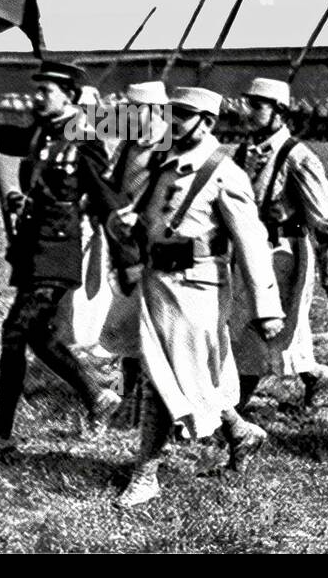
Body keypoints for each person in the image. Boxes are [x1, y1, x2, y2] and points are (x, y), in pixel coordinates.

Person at [108, 87, 283, 507]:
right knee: (187, 376)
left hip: (197, 286)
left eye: (182, 116)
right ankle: (240, 433)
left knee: (162, 378)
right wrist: (127, 223)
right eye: (171, 114)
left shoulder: (224, 172)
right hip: (156, 282)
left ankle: (146, 474)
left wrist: (266, 308)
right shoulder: (162, 161)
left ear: (206, 122)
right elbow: (151, 214)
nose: (172, 123)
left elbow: (252, 244)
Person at [0, 59, 125, 460]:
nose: (37, 97)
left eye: (45, 91)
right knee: (39, 336)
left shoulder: (84, 139)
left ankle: (0, 434)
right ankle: (96, 395)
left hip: (59, 251)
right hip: (31, 249)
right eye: (37, 90)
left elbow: (107, 201)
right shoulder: (41, 132)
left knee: (15, 332)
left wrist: (130, 257)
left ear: (69, 97)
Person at [229, 78, 328, 411]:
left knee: (258, 325)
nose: (248, 112)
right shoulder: (244, 152)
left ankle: (234, 412)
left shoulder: (298, 157)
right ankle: (314, 376)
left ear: (279, 111)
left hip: (281, 253)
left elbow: (326, 220)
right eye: (247, 104)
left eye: (257, 106)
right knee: (256, 326)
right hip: (247, 250)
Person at [97, 81, 171, 427]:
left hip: (156, 249)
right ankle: (128, 399)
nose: (126, 114)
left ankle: (160, 406)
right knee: (126, 331)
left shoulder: (170, 148)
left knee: (156, 332)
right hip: (126, 247)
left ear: (155, 110)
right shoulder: (128, 144)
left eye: (134, 108)